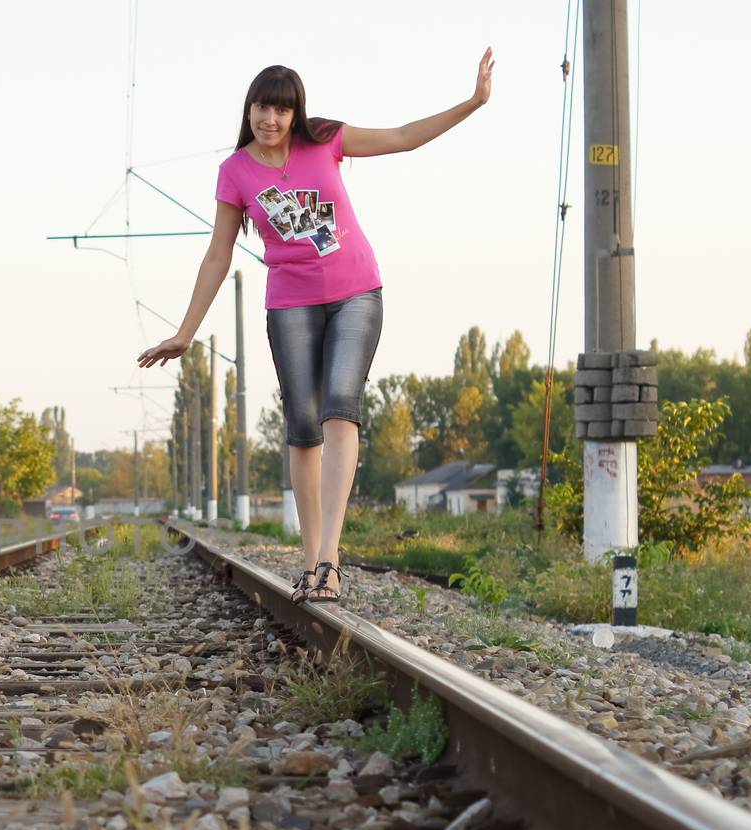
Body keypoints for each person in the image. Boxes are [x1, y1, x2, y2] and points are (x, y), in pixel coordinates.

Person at [137, 50, 494, 603]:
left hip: (356, 293)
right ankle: (310, 561)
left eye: (281, 110)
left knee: (340, 409)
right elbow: (217, 255)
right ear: (249, 110)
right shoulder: (235, 172)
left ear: (296, 112)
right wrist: (186, 332)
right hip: (291, 304)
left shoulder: (325, 138)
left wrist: (473, 102)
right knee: (303, 429)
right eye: (262, 107)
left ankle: (329, 558)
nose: (271, 120)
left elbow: (402, 136)